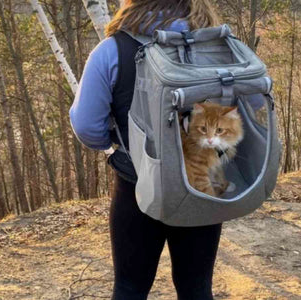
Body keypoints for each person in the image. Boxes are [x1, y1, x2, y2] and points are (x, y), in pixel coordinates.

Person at [69, 1, 222, 299]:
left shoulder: (113, 50)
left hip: (137, 186)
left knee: (130, 287)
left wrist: (113, 146)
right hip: (202, 185)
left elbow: (87, 126)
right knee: (197, 288)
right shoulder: (215, 45)